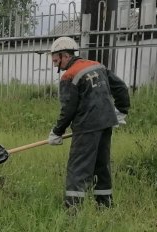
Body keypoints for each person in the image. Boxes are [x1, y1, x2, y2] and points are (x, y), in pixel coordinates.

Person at [48, 36, 130, 209]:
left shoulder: (69, 76)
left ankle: (72, 210)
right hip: (106, 123)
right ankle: (105, 206)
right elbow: (121, 87)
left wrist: (57, 131)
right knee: (102, 166)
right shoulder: (97, 66)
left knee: (78, 168)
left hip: (86, 128)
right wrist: (121, 110)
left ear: (66, 56)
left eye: (56, 60)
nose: (56, 65)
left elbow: (68, 109)